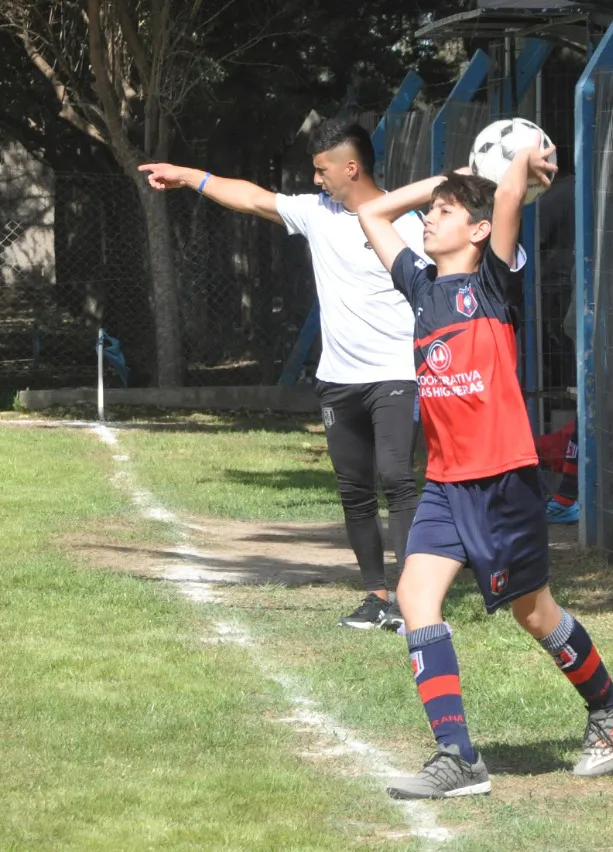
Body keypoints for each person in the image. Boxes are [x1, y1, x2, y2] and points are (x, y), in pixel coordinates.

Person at [357, 147, 613, 800]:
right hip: (445, 482)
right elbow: (372, 211)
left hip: (504, 481)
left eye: (445, 212)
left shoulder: (491, 283)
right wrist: (441, 182)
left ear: (480, 230)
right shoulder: (421, 287)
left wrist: (512, 163)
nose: (428, 220)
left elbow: (509, 200)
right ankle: (457, 757)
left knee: (535, 613)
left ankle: (612, 705)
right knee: (414, 598)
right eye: (431, 212)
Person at [140, 121, 425, 631]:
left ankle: (411, 603)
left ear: (351, 168)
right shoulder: (318, 214)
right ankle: (374, 597)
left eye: (322, 170)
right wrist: (189, 175)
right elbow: (252, 199)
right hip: (339, 378)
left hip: (397, 375)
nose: (316, 181)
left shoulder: (407, 221)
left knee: (398, 480)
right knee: (354, 490)